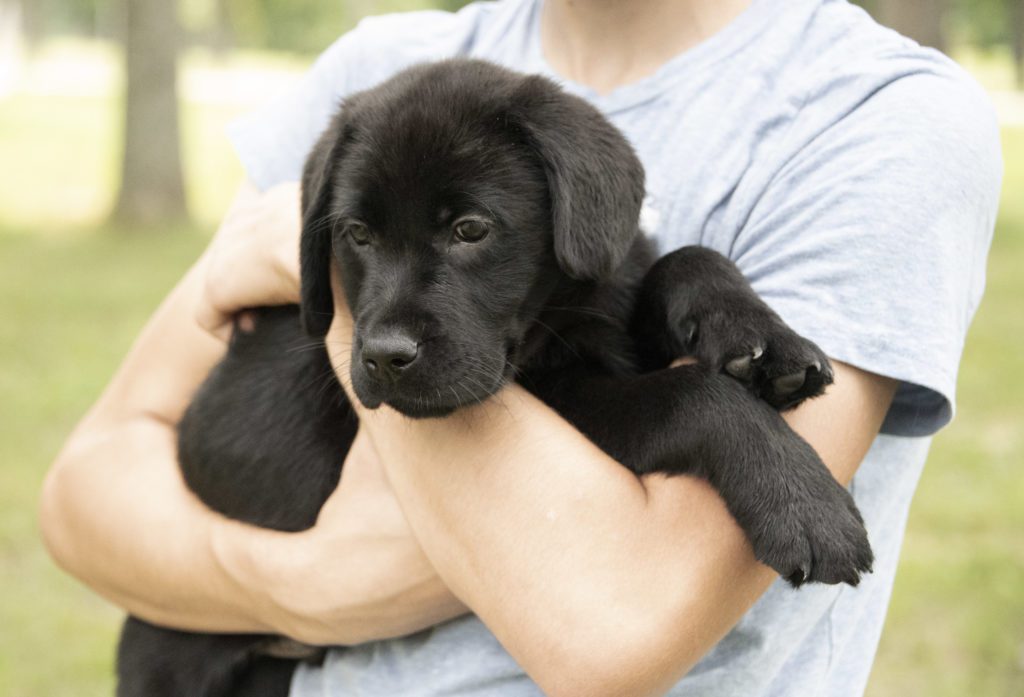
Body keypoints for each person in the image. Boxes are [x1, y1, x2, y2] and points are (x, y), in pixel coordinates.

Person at [41, 0, 1002, 695]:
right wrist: (300, 590)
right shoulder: (380, 75)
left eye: (467, 234)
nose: (388, 318)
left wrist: (700, 305)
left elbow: (613, 629)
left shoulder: (872, 117)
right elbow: (84, 494)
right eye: (360, 241)